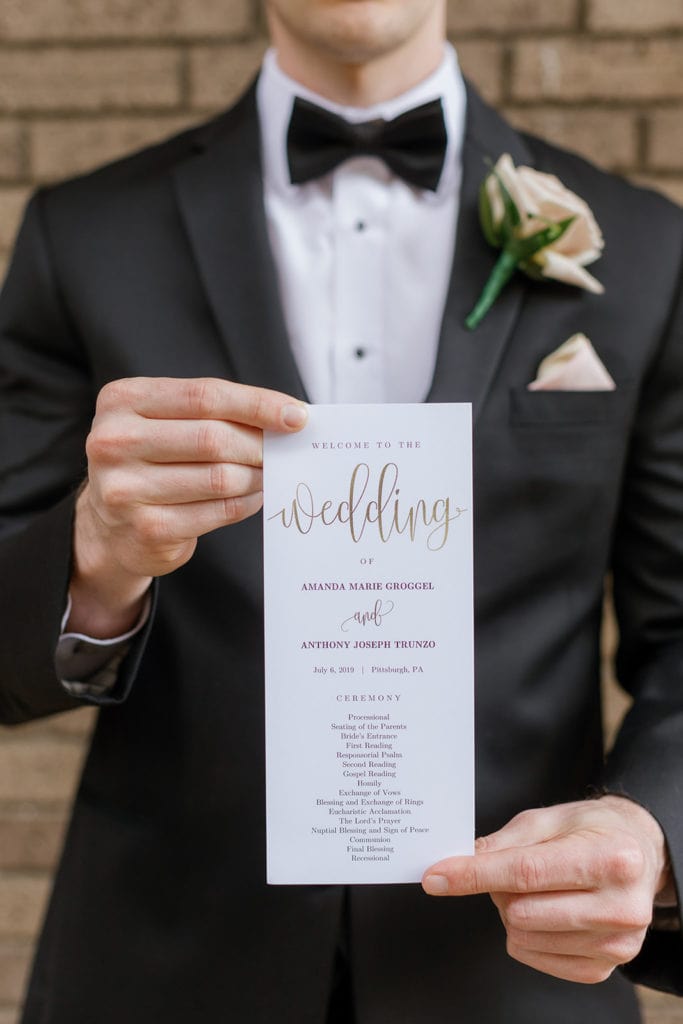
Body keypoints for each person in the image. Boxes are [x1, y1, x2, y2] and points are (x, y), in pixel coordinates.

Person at [1, 0, 682, 1020]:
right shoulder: (84, 233)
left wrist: (649, 826)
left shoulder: (641, 245)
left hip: (511, 979)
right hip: (163, 966)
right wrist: (94, 556)